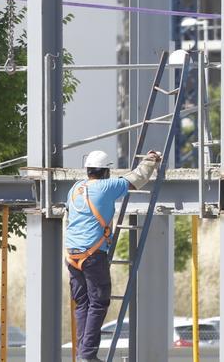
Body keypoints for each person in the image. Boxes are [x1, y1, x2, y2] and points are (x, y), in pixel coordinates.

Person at [64, 148, 161, 362]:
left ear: (88, 169)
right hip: (93, 254)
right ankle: (87, 354)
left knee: (83, 304)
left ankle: (83, 353)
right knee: (98, 303)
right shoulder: (107, 186)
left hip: (72, 255)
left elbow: (69, 214)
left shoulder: (75, 188)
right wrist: (151, 159)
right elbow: (138, 177)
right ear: (106, 171)